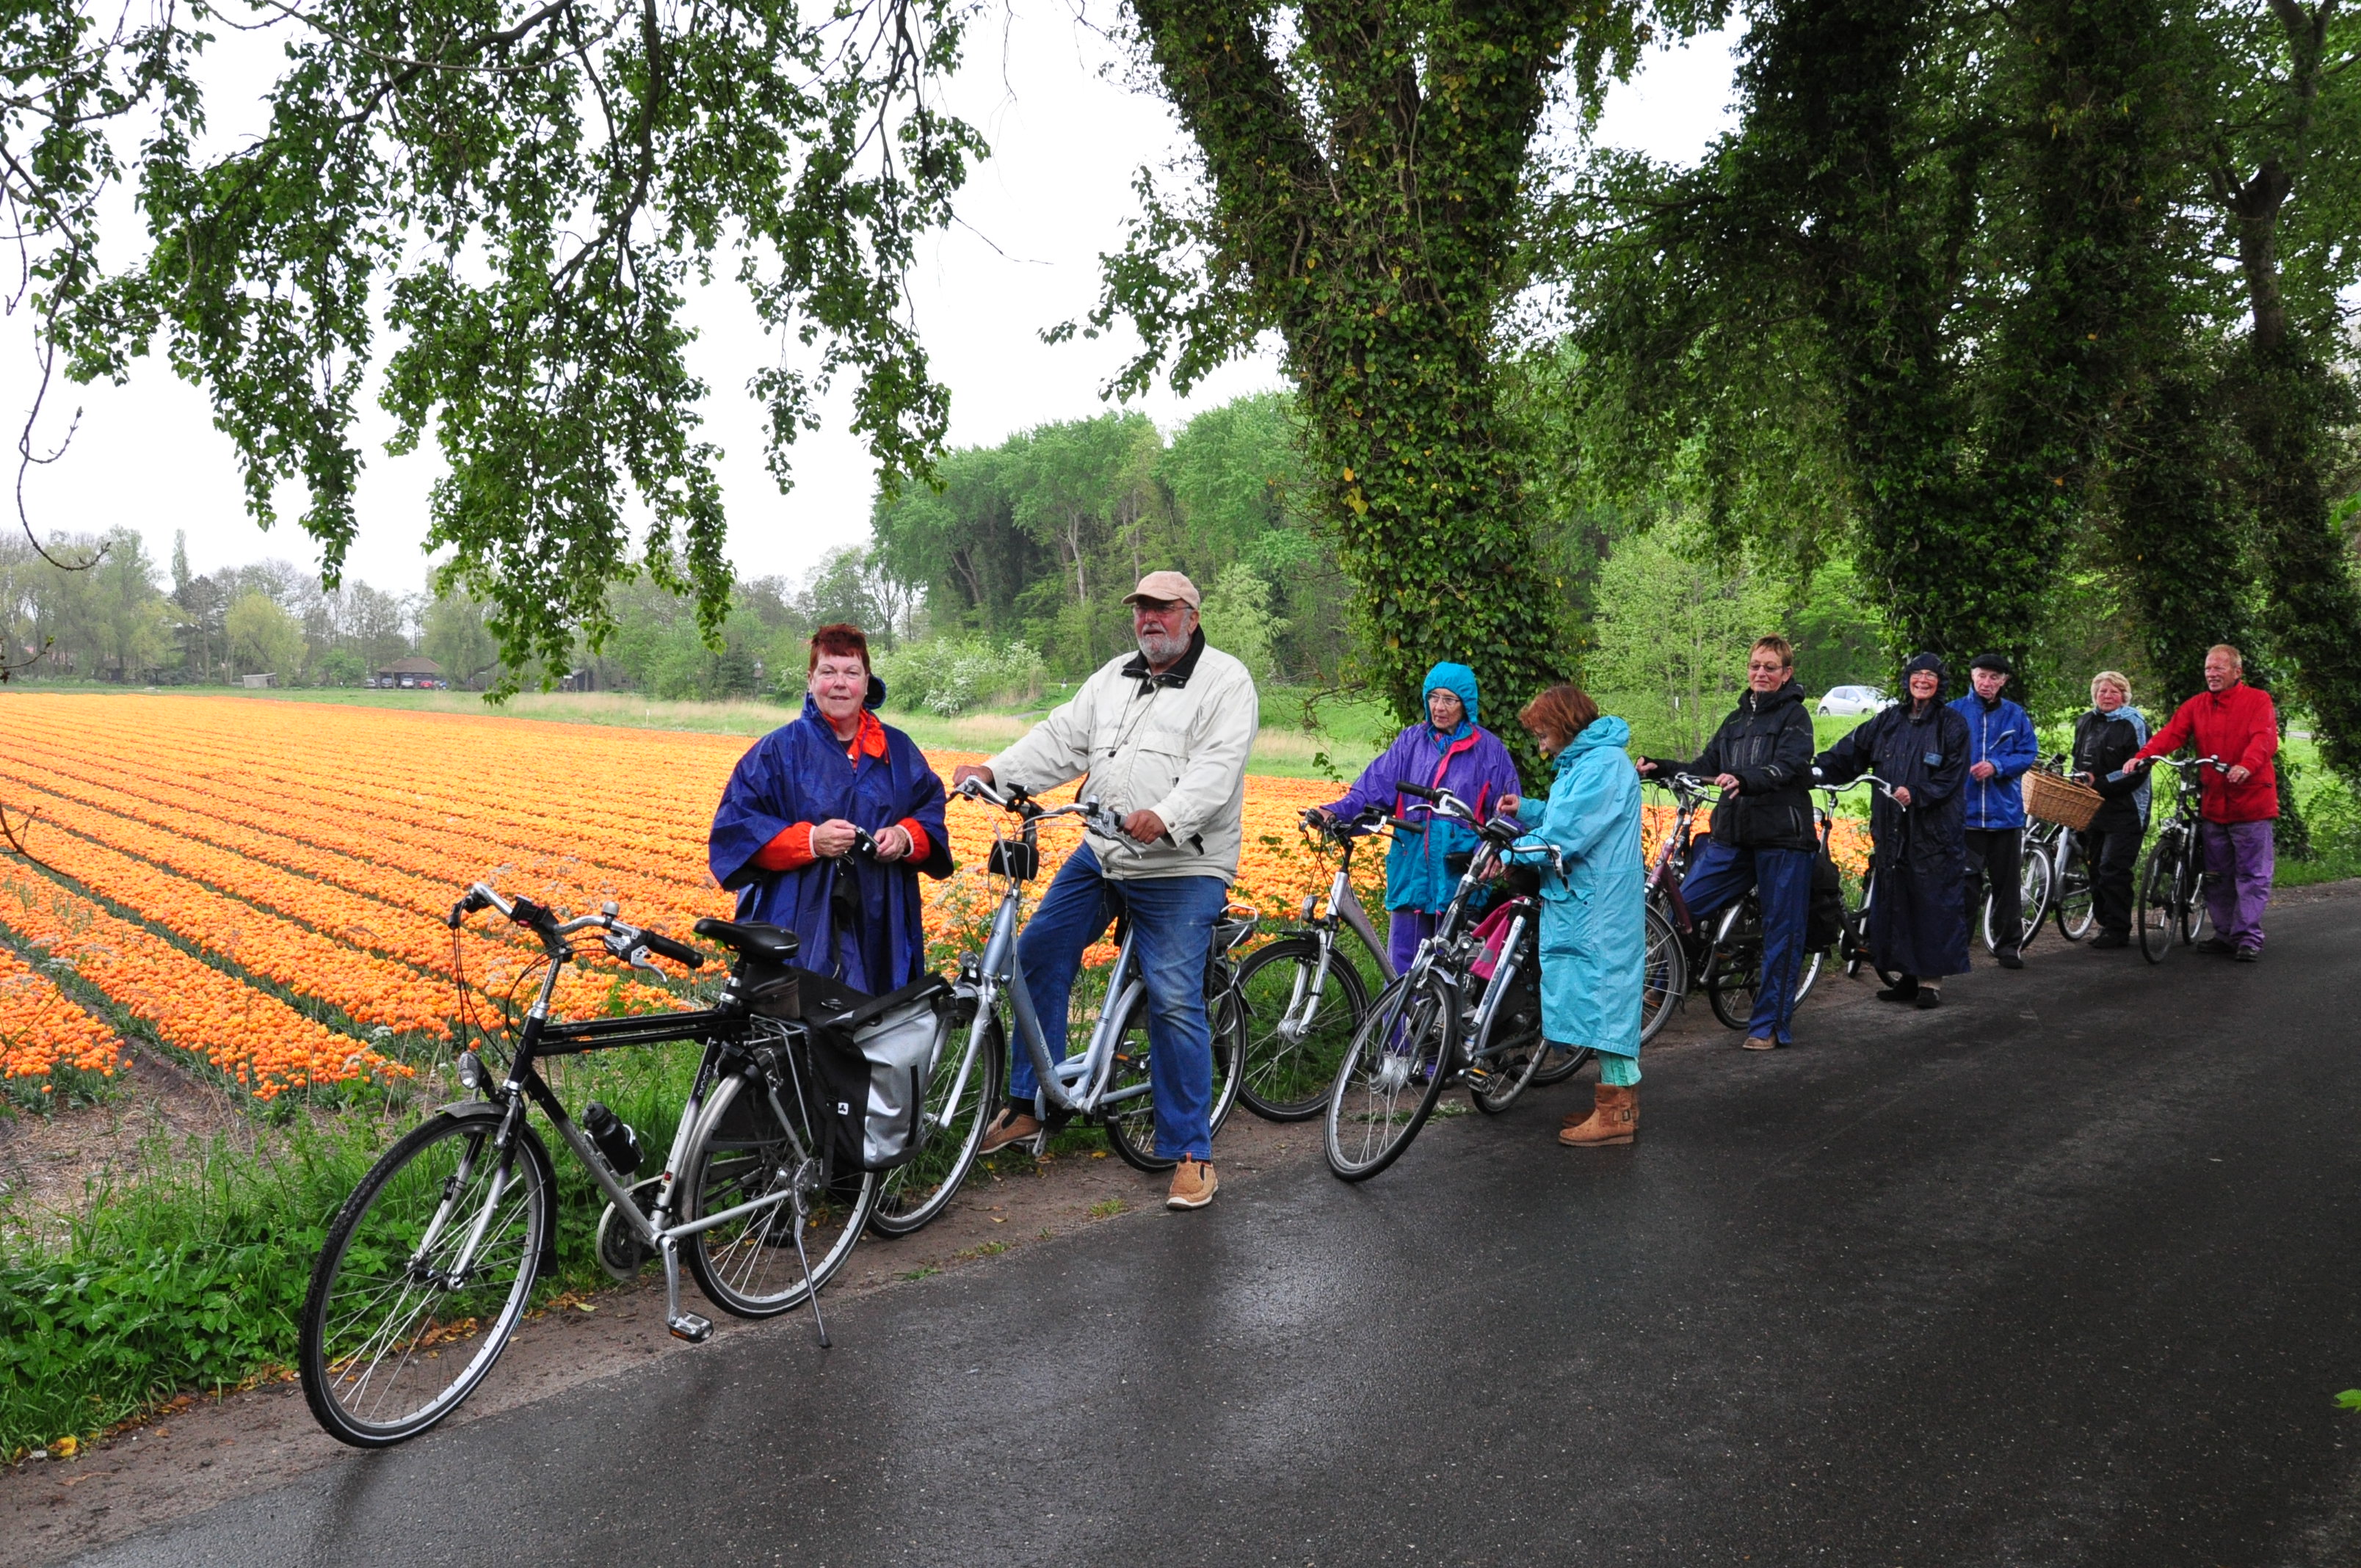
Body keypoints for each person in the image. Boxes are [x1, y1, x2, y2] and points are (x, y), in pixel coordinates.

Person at [951, 571, 1258, 1210]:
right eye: (1142, 609)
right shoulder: (1112, 678)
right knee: (1036, 953)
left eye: (1163, 610)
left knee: (1174, 998)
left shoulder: (1225, 682)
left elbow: (1216, 771)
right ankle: (1035, 1103)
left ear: (1191, 617)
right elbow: (1059, 740)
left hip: (1182, 866)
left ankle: (1192, 1153)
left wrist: (1167, 815)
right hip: (1104, 852)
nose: (1149, 619)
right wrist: (995, 773)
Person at [708, 623, 954, 992]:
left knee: (877, 1026)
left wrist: (905, 837)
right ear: (811, 680)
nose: (840, 683)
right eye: (828, 672)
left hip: (881, 915)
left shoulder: (898, 751)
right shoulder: (776, 751)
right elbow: (736, 829)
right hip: (797, 913)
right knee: (798, 1028)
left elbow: (929, 807)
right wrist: (809, 842)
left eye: (852, 673)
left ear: (867, 682)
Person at [1635, 635, 1817, 1049]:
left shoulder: (1795, 718)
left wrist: (1746, 779)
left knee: (1781, 931)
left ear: (1786, 673)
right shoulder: (1737, 720)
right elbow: (1706, 766)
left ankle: (1768, 1025)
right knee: (1680, 908)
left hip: (1784, 839)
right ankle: (1661, 985)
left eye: (1771, 667)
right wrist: (1661, 767)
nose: (1761, 673)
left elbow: (1788, 767)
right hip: (1734, 836)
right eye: (1756, 666)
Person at [1498, 686, 1645, 1147]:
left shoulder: (1602, 766)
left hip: (1597, 905)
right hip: (1588, 901)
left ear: (1564, 725)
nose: (1540, 744)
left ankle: (1616, 1113)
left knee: (1605, 1001)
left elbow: (1566, 835)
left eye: (1543, 734)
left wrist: (1506, 853)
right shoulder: (1589, 763)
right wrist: (1527, 810)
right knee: (1600, 996)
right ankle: (1618, 1105)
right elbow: (1568, 815)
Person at [1309, 662, 1523, 975]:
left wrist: (1495, 855)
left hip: (1460, 876)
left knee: (1449, 973)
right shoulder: (1410, 742)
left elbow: (1509, 815)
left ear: (1466, 704)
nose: (1439, 707)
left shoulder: (1489, 751)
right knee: (1400, 971)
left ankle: (1446, 1025)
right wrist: (1336, 812)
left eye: (1450, 699)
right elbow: (1371, 791)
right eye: (1434, 697)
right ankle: (1396, 1027)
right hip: (1411, 874)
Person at [1813, 653, 1970, 1008]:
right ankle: (1906, 977)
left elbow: (1952, 777)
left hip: (1933, 832)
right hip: (1890, 828)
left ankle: (1931, 982)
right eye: (1918, 675)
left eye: (1931, 675)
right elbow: (1852, 751)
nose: (1923, 681)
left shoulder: (1952, 724)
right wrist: (1819, 769)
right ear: (1908, 680)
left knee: (1931, 903)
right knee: (1895, 900)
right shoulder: (1889, 720)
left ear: (1940, 682)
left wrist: (1917, 793)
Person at [2123, 643, 2279, 960]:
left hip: (2250, 802)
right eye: (2208, 668)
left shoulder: (2257, 700)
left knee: (2251, 874)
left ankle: (2248, 936)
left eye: (2219, 668)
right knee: (2216, 874)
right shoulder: (2197, 705)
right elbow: (2172, 734)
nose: (2212, 674)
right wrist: (2144, 757)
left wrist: (2246, 765)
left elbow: (2264, 738)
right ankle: (2224, 934)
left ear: (2238, 671)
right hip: (2214, 803)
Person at [1949, 653, 2039, 970]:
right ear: (1972, 676)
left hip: (2005, 816)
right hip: (1965, 817)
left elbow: (2028, 753)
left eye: (1994, 678)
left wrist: (1998, 765)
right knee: (1964, 888)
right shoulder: (1954, 712)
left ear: (2004, 682)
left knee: (2007, 887)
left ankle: (2008, 946)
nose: (1987, 683)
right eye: (1982, 676)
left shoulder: (2016, 715)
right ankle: (1956, 947)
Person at [2070, 671, 2150, 949]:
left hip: (2126, 807)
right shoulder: (2086, 721)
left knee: (2113, 867)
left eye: (2114, 692)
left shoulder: (2134, 723)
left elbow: (2139, 768)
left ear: (2124, 696)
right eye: (2102, 691)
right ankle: (2106, 924)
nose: (2107, 696)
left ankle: (2118, 929)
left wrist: (2100, 783)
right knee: (2095, 869)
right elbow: (2077, 758)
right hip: (2092, 806)